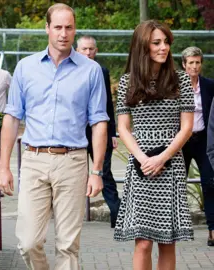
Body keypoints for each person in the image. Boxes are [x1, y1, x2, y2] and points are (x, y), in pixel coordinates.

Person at [0, 3, 109, 269]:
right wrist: (3, 167)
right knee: (27, 241)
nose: (63, 33)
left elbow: (99, 122)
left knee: (68, 246)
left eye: (69, 27)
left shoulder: (91, 71)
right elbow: (11, 118)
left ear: (75, 29)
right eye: (57, 27)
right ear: (47, 28)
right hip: (34, 160)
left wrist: (97, 171)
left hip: (73, 162)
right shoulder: (25, 68)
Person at [114, 20, 194, 270]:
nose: (164, 48)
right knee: (143, 242)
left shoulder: (181, 80)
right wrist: (142, 158)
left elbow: (187, 127)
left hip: (171, 165)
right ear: (142, 46)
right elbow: (123, 128)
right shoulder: (128, 81)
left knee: (167, 241)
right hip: (140, 166)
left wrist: (163, 158)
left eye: (166, 42)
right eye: (156, 42)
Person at [76, 35, 121, 228]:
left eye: (91, 49)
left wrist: (113, 133)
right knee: (73, 174)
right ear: (77, 50)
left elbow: (107, 105)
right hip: (75, 132)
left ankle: (117, 214)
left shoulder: (101, 71)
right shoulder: (69, 70)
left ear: (96, 51)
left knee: (105, 172)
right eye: (84, 49)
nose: (88, 52)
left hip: (99, 131)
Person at [183, 47, 214, 246]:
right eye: (191, 63)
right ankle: (172, 229)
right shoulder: (175, 86)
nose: (195, 66)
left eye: (198, 62)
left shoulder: (209, 85)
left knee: (210, 183)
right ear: (184, 64)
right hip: (182, 141)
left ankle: (212, 230)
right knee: (176, 184)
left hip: (203, 140)